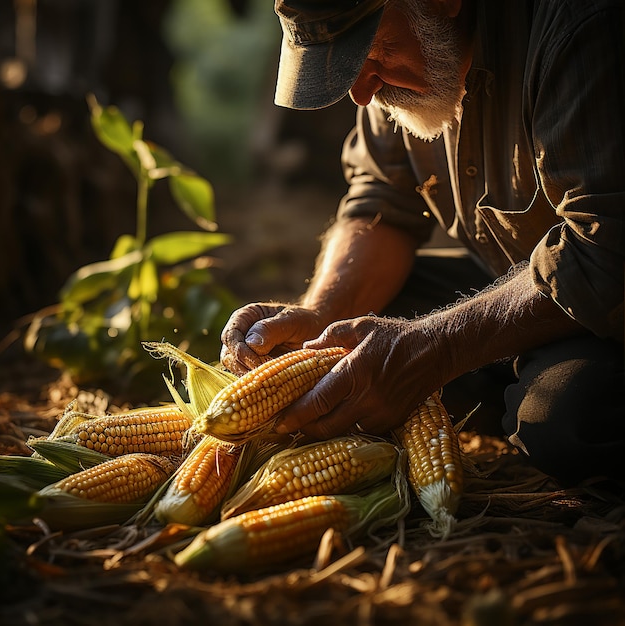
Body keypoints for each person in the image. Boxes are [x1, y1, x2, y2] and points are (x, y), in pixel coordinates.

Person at [219, 0, 625, 483]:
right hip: (515, 274)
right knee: (358, 332)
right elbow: (381, 199)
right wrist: (320, 317)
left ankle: (526, 378)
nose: (361, 94)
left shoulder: (582, 30)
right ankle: (514, 368)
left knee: (568, 424)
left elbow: (605, 250)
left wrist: (438, 347)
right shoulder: (401, 69)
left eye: (370, 53)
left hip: (609, 285)